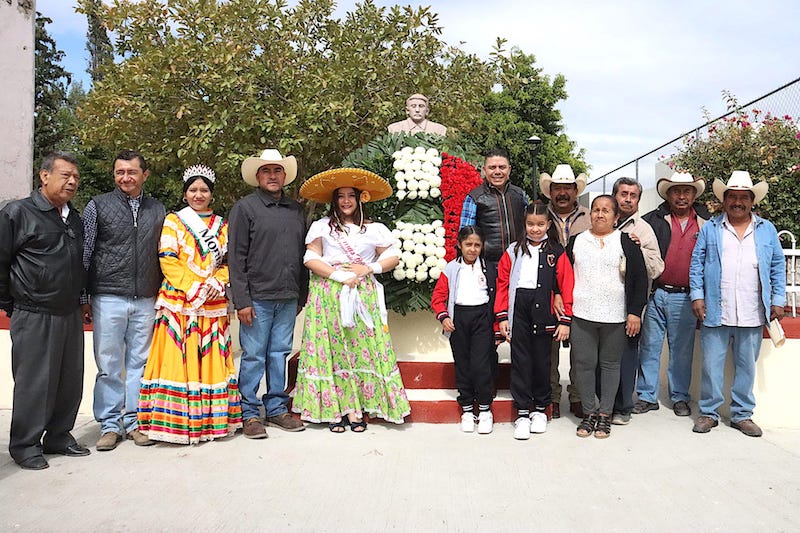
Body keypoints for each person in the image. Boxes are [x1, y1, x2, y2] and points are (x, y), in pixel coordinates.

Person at [292, 168, 410, 431]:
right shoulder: (321, 227)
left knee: (361, 351)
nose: (346, 201)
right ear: (333, 201)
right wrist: (338, 275)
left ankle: (357, 409)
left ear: (360, 199)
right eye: (340, 197)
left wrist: (369, 268)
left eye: (351, 196)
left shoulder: (374, 228)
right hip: (329, 294)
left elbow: (392, 257)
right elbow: (310, 259)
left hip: (362, 294)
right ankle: (335, 410)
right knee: (333, 351)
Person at [137, 165, 243, 443]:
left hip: (212, 302)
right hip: (180, 302)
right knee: (176, 360)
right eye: (193, 190)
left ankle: (211, 421)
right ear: (185, 194)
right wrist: (194, 286)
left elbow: (230, 262)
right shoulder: (174, 221)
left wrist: (216, 283)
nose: (198, 195)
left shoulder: (223, 225)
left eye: (204, 190)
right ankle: (173, 423)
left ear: (211, 194)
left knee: (210, 361)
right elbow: (168, 258)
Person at [0, 152, 91, 470]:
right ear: (44, 176)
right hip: (33, 311)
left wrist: (81, 300)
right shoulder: (18, 212)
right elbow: (1, 261)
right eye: (65, 175)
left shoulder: (73, 217)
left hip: (68, 311)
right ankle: (25, 445)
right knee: (35, 382)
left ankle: (59, 436)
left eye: (76, 178)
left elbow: (77, 263)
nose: (72, 181)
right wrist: (7, 303)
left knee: (69, 380)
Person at [689, 171, 786, 437]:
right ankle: (708, 413)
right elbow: (697, 263)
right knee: (710, 365)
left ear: (752, 201)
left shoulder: (766, 229)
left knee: (746, 366)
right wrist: (697, 295)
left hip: (752, 311)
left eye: (744, 197)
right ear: (725, 199)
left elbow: (777, 264)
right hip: (715, 310)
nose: (738, 202)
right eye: (733, 196)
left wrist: (778, 299)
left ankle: (742, 415)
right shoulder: (711, 227)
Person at [83, 150, 165, 451]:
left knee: (140, 364)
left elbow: (163, 254)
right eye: (120, 172)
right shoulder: (98, 206)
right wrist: (84, 296)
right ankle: (109, 424)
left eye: (131, 172)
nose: (125, 178)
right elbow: (86, 252)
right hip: (108, 296)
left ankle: (135, 422)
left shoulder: (158, 209)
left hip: (146, 297)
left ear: (144, 174)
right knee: (108, 365)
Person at [228, 149, 308, 439]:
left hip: (287, 297)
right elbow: (236, 258)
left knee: (279, 354)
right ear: (257, 177)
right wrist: (242, 301)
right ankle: (248, 413)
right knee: (253, 356)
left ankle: (276, 408)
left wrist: (301, 295)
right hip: (257, 298)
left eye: (277, 171)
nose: (272, 176)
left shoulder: (296, 210)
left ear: (284, 175)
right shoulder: (245, 208)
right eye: (266, 171)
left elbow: (303, 254)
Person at [567, 195, 647, 439]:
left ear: (616, 217)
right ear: (590, 213)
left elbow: (639, 280)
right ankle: (589, 413)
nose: (600, 215)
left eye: (606, 211)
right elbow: (563, 275)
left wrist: (634, 312)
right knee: (584, 365)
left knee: (611, 366)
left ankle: (605, 415)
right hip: (582, 314)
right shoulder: (575, 242)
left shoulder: (626, 243)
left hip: (615, 315)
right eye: (595, 210)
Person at [495, 203, 574, 440]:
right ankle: (522, 413)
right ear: (524, 225)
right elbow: (502, 283)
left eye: (541, 224)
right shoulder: (512, 251)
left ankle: (540, 409)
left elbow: (566, 283)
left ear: (549, 225)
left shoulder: (556, 252)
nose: (536, 229)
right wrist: (502, 317)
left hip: (544, 311)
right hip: (519, 309)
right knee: (521, 362)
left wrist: (565, 319)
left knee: (542, 362)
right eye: (531, 224)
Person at [635, 172, 710, 418]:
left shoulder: (706, 222)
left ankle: (679, 397)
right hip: (656, 293)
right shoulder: (652, 220)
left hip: (686, 296)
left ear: (694, 194)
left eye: (686, 191)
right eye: (676, 191)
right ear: (668, 194)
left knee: (681, 350)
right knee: (649, 347)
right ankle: (647, 396)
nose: (681, 196)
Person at [460, 148, 528, 378]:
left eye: (502, 167)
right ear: (484, 170)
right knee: (488, 327)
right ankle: (486, 384)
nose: (497, 171)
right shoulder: (474, 197)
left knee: (520, 324)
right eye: (492, 167)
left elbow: (530, 229)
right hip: (488, 267)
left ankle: (521, 385)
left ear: (509, 170)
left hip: (519, 267)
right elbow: (465, 235)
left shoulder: (520, 195)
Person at [608, 177, 664, 425]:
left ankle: (623, 406)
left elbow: (657, 267)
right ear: (614, 196)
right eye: (623, 194)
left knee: (628, 355)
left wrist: (637, 251)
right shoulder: (602, 221)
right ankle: (603, 403)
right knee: (604, 356)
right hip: (603, 303)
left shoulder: (643, 229)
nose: (628, 199)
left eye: (633, 195)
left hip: (630, 303)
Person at [431, 226, 496, 434]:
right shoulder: (451, 269)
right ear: (460, 245)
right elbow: (439, 297)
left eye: (477, 245)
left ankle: (485, 409)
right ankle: (467, 409)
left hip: (482, 319)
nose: (473, 249)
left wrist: (496, 326)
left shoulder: (488, 268)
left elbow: (496, 298)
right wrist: (444, 316)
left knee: (481, 364)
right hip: (459, 320)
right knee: (463, 365)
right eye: (468, 244)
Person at [539, 164, 589, 418]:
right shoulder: (540, 216)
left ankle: (578, 396)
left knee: (580, 348)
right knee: (550, 351)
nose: (562, 193)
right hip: (549, 292)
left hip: (583, 290)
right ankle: (553, 397)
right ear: (550, 191)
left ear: (575, 190)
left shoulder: (590, 216)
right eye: (557, 188)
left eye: (566, 188)